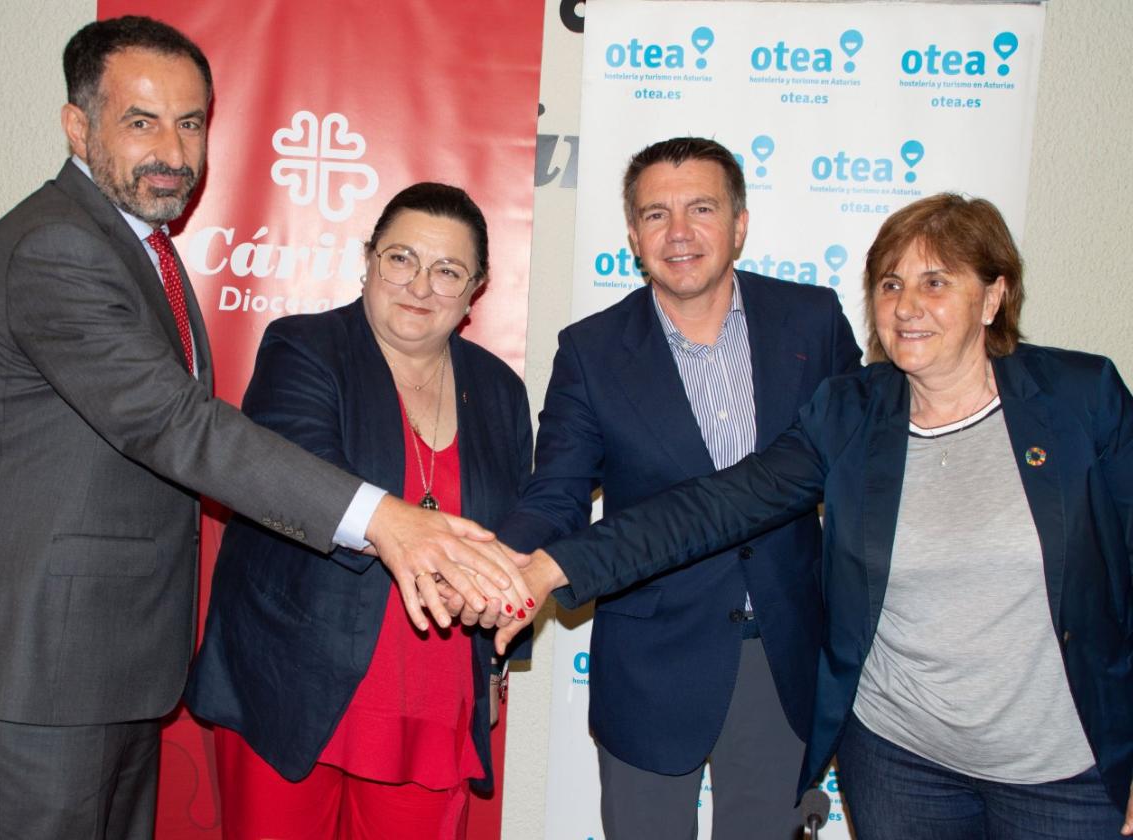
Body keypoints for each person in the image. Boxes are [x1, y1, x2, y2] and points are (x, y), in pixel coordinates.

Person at [0, 17, 523, 840]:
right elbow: (175, 425)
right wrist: (385, 518)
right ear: (78, 125)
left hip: (118, 662)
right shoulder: (56, 247)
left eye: (192, 122)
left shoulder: (147, 251)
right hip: (43, 666)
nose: (173, 149)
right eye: (141, 121)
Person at [499, 193, 1133, 839]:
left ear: (992, 297)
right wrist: (552, 565)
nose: (908, 306)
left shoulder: (1080, 400)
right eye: (891, 283)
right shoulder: (852, 413)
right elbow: (720, 505)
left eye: (935, 281)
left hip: (1061, 771)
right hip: (901, 764)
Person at [498, 137, 861, 839]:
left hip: (786, 657)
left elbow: (855, 478)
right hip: (652, 663)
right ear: (633, 234)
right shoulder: (590, 350)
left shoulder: (812, 322)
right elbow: (557, 495)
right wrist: (505, 575)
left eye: (702, 207)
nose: (680, 232)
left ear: (740, 223)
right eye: (656, 214)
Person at [185, 182, 531, 840]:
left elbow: (517, 535)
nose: (420, 286)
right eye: (402, 259)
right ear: (369, 259)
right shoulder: (305, 348)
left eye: (447, 271)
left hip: (432, 700)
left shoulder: (499, 390)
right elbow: (301, 476)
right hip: (292, 684)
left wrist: (492, 663)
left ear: (476, 289)